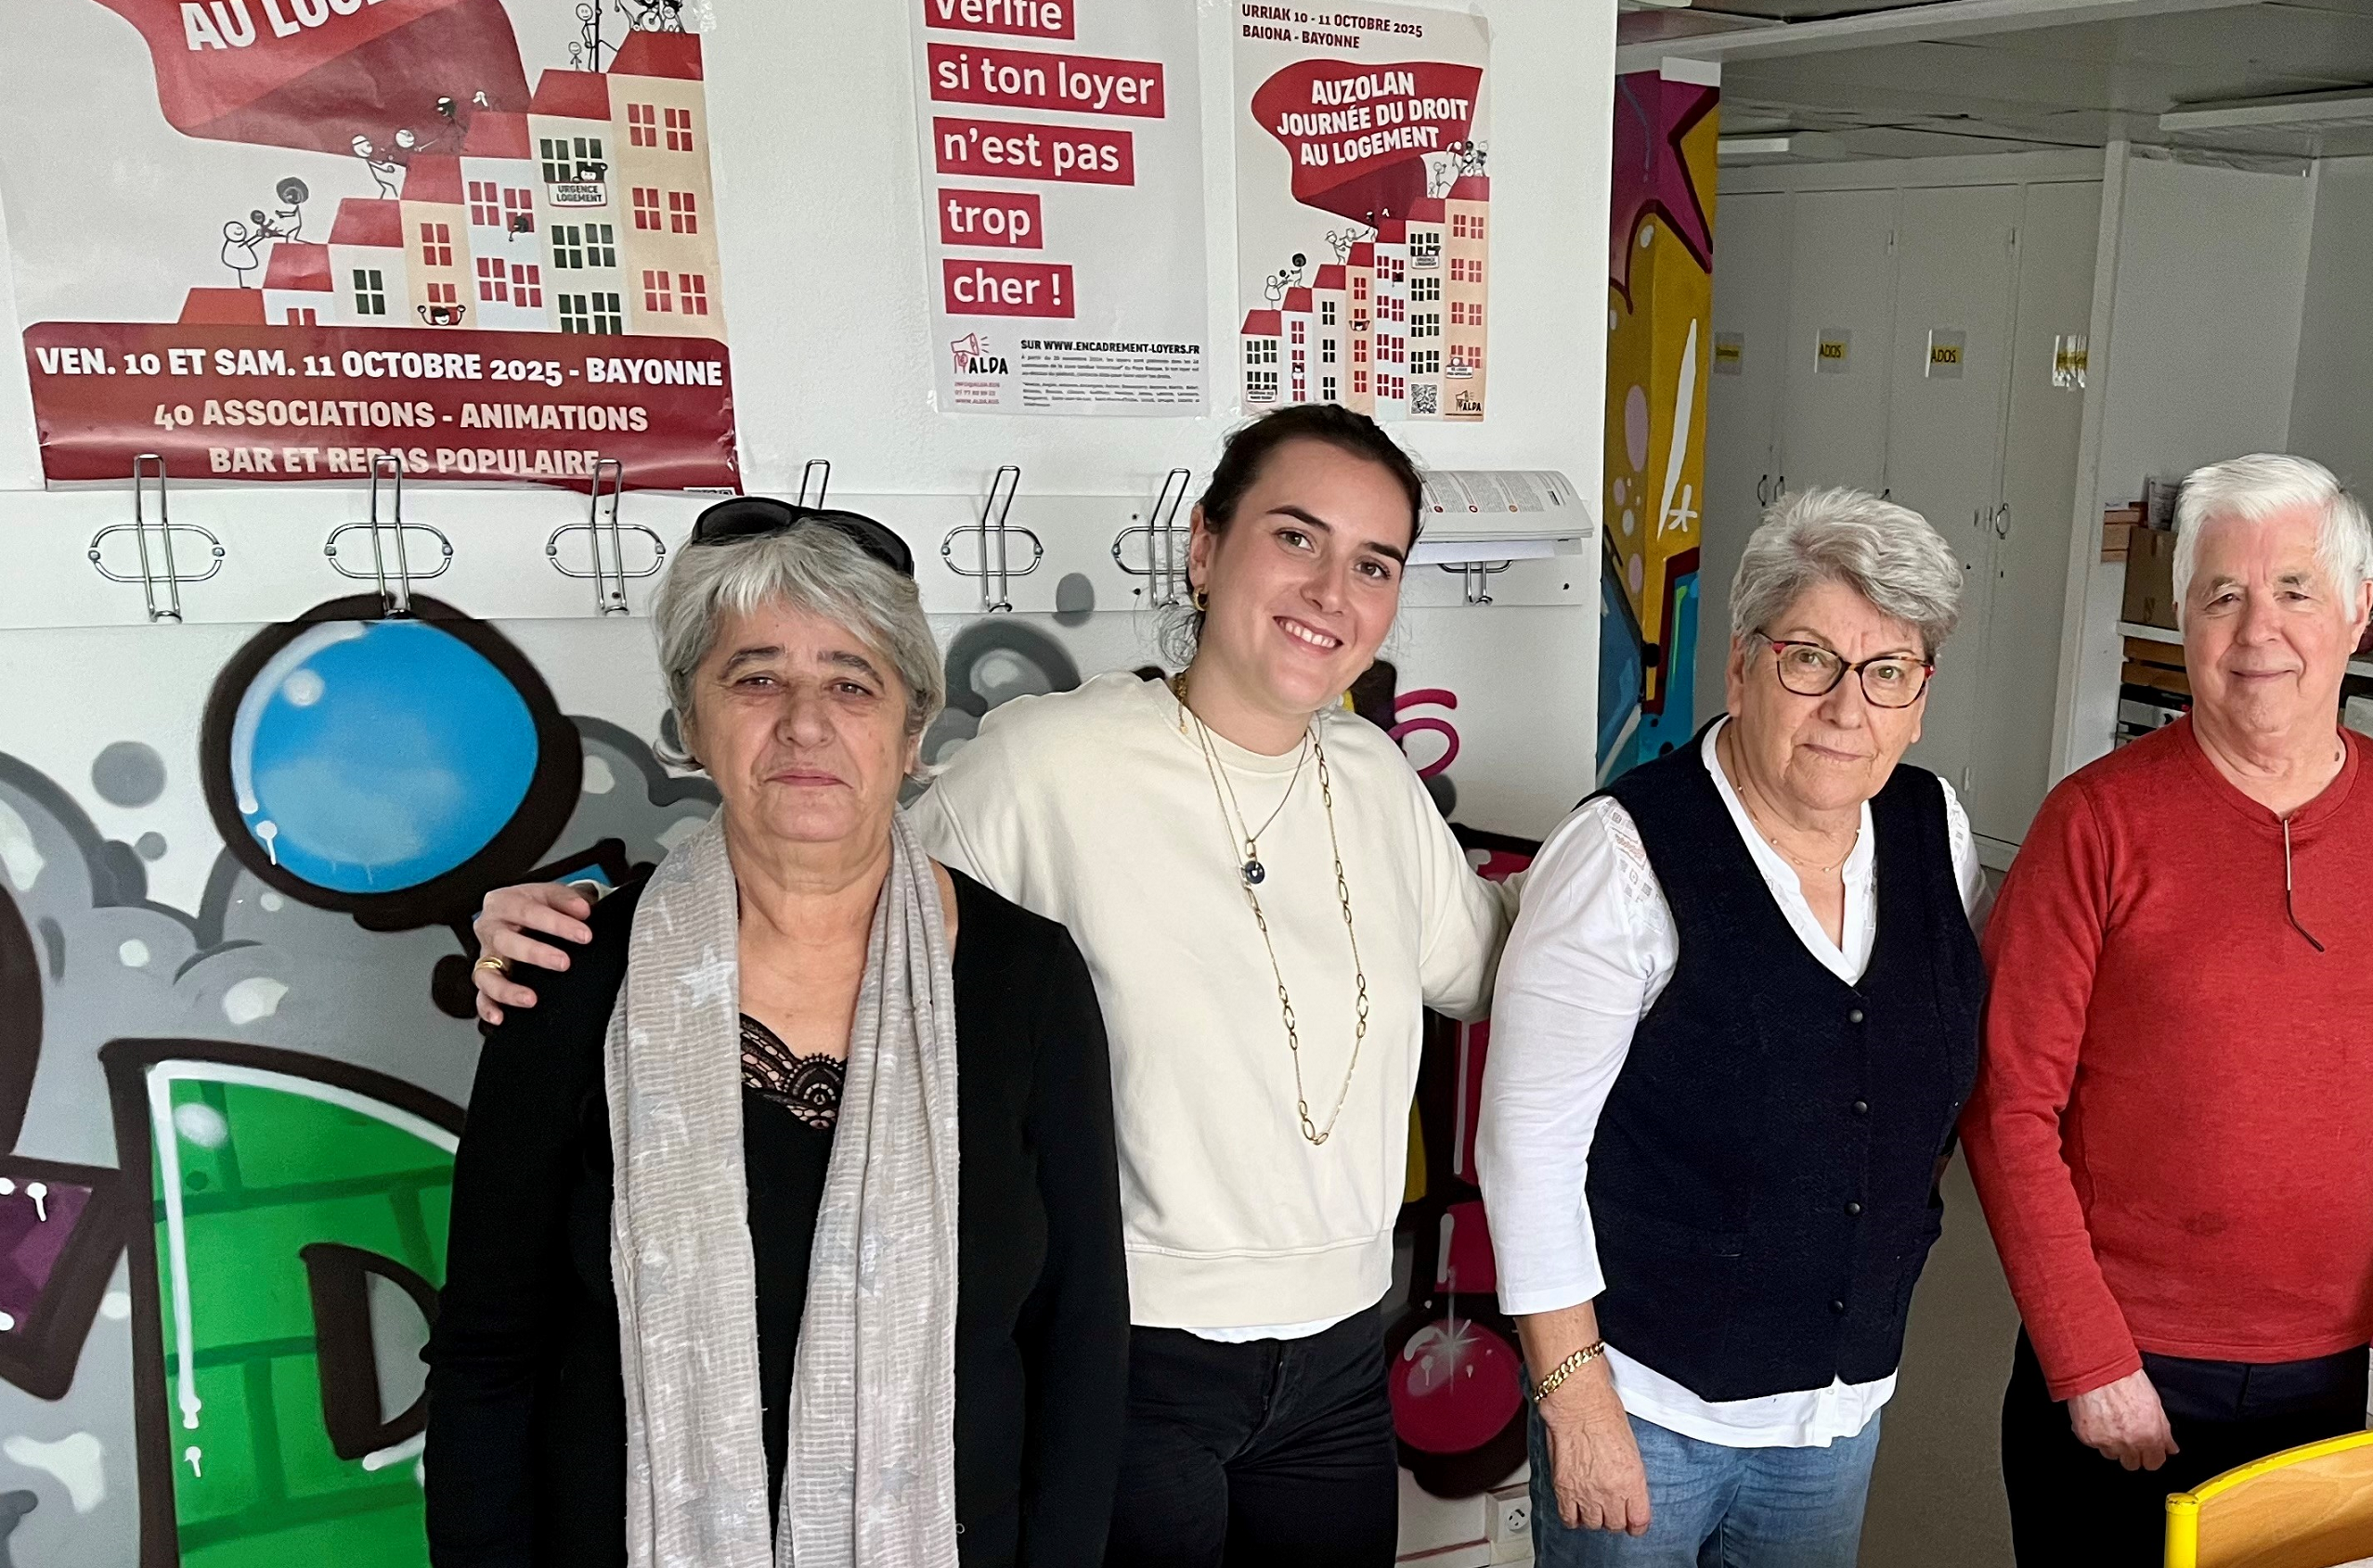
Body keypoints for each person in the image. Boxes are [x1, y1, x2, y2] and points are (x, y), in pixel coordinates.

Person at [467, 404, 1510, 1567]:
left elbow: (1493, 967)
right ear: (1205, 549)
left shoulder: (1374, 778)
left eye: (1374, 563)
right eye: (1296, 538)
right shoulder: (1047, 760)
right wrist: (589, 920)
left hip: (1337, 1362)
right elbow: (827, 854)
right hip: (1137, 1361)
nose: (1330, 590)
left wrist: (1647, 878)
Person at [423, 509, 1129, 1566]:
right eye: (755, 679)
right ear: (692, 721)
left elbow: (1080, 1342)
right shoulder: (571, 978)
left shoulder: (1025, 980)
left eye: (852, 682)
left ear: (911, 729)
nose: (805, 722)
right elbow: (488, 1356)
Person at [1960, 453, 2373, 1562]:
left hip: (2323, 1371)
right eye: (2222, 595)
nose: (2258, 632)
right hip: (2120, 1376)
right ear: (2182, 624)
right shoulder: (2094, 824)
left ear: (2359, 613)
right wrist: (2087, 1355)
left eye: (2295, 590)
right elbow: (2006, 1105)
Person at [1477, 489, 1983, 1566]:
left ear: (1920, 699)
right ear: (1741, 666)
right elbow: (1528, 1153)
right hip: (1649, 1406)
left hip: (1838, 1410)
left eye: (1888, 672)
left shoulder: (1933, 827)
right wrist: (1576, 1403)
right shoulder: (1621, 857)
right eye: (1811, 659)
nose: (1848, 709)